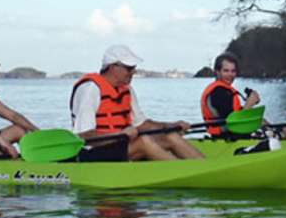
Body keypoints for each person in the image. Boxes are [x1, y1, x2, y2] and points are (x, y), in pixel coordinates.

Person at [70, 44, 205, 161]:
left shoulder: (126, 89)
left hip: (120, 145)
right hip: (92, 151)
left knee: (170, 135)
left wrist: (170, 125)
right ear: (112, 67)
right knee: (144, 141)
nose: (133, 71)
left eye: (134, 67)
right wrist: (119, 135)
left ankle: (203, 166)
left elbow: (142, 124)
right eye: (129, 68)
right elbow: (84, 135)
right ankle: (184, 172)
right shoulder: (90, 89)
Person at [199, 52, 286, 142]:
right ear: (217, 72)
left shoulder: (222, 90)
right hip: (232, 137)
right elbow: (235, 123)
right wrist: (250, 103)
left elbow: (233, 118)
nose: (230, 75)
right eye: (226, 71)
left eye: (233, 71)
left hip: (231, 134)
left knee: (266, 122)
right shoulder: (219, 92)